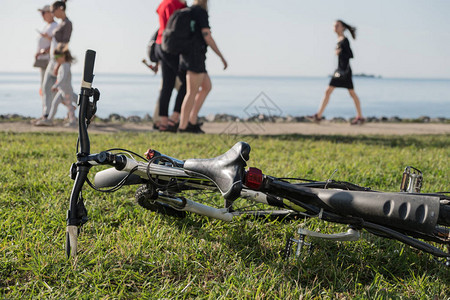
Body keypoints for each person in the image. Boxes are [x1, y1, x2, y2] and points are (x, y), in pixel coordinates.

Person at [178, 0, 227, 133]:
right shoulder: (200, 12)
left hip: (188, 56)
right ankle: (183, 127)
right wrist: (221, 56)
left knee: (206, 86)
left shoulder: (189, 11)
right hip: (194, 57)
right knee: (191, 92)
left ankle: (192, 121)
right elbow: (207, 37)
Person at [309, 20, 364, 125]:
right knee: (331, 91)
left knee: (349, 93)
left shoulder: (344, 41)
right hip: (339, 71)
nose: (334, 27)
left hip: (344, 72)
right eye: (334, 26)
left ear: (342, 27)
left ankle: (360, 117)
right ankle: (319, 115)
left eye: (337, 26)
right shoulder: (339, 40)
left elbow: (351, 55)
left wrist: (340, 52)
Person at [36, 0, 72, 125]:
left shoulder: (67, 23)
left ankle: (48, 117)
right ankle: (47, 116)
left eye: (53, 11)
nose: (52, 13)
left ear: (60, 9)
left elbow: (64, 44)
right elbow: (56, 41)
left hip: (58, 60)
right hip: (53, 59)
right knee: (53, 87)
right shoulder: (61, 23)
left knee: (63, 89)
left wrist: (58, 63)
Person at [154, 0, 187, 132]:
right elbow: (174, 27)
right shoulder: (174, 4)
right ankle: (174, 119)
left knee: (167, 84)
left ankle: (163, 123)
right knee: (186, 83)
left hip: (160, 44)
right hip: (170, 46)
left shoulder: (164, 3)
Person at [36, 43, 77, 126]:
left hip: (66, 91)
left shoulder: (66, 66)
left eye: (56, 58)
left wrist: (55, 86)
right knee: (54, 104)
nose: (56, 60)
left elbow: (63, 78)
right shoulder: (62, 65)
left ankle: (73, 121)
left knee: (70, 107)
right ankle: (49, 119)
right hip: (62, 90)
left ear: (63, 56)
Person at [34, 5, 58, 92]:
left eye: (43, 13)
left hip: (48, 60)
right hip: (43, 60)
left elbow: (56, 42)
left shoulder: (55, 26)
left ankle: (71, 103)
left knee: (48, 88)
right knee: (45, 87)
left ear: (50, 13)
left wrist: (43, 52)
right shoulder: (47, 26)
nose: (42, 15)